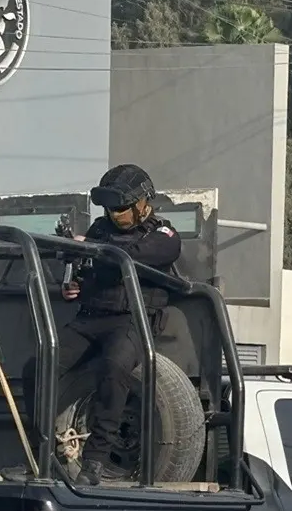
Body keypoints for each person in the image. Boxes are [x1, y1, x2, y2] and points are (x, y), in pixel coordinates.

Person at [21, 164, 182, 485]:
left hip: (132, 322)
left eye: (122, 207)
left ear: (142, 203)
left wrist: (91, 246)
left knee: (115, 366)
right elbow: (87, 271)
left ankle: (94, 462)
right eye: (110, 208)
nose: (115, 214)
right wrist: (75, 284)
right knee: (36, 367)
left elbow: (136, 255)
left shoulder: (163, 235)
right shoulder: (99, 229)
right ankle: (40, 456)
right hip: (90, 320)